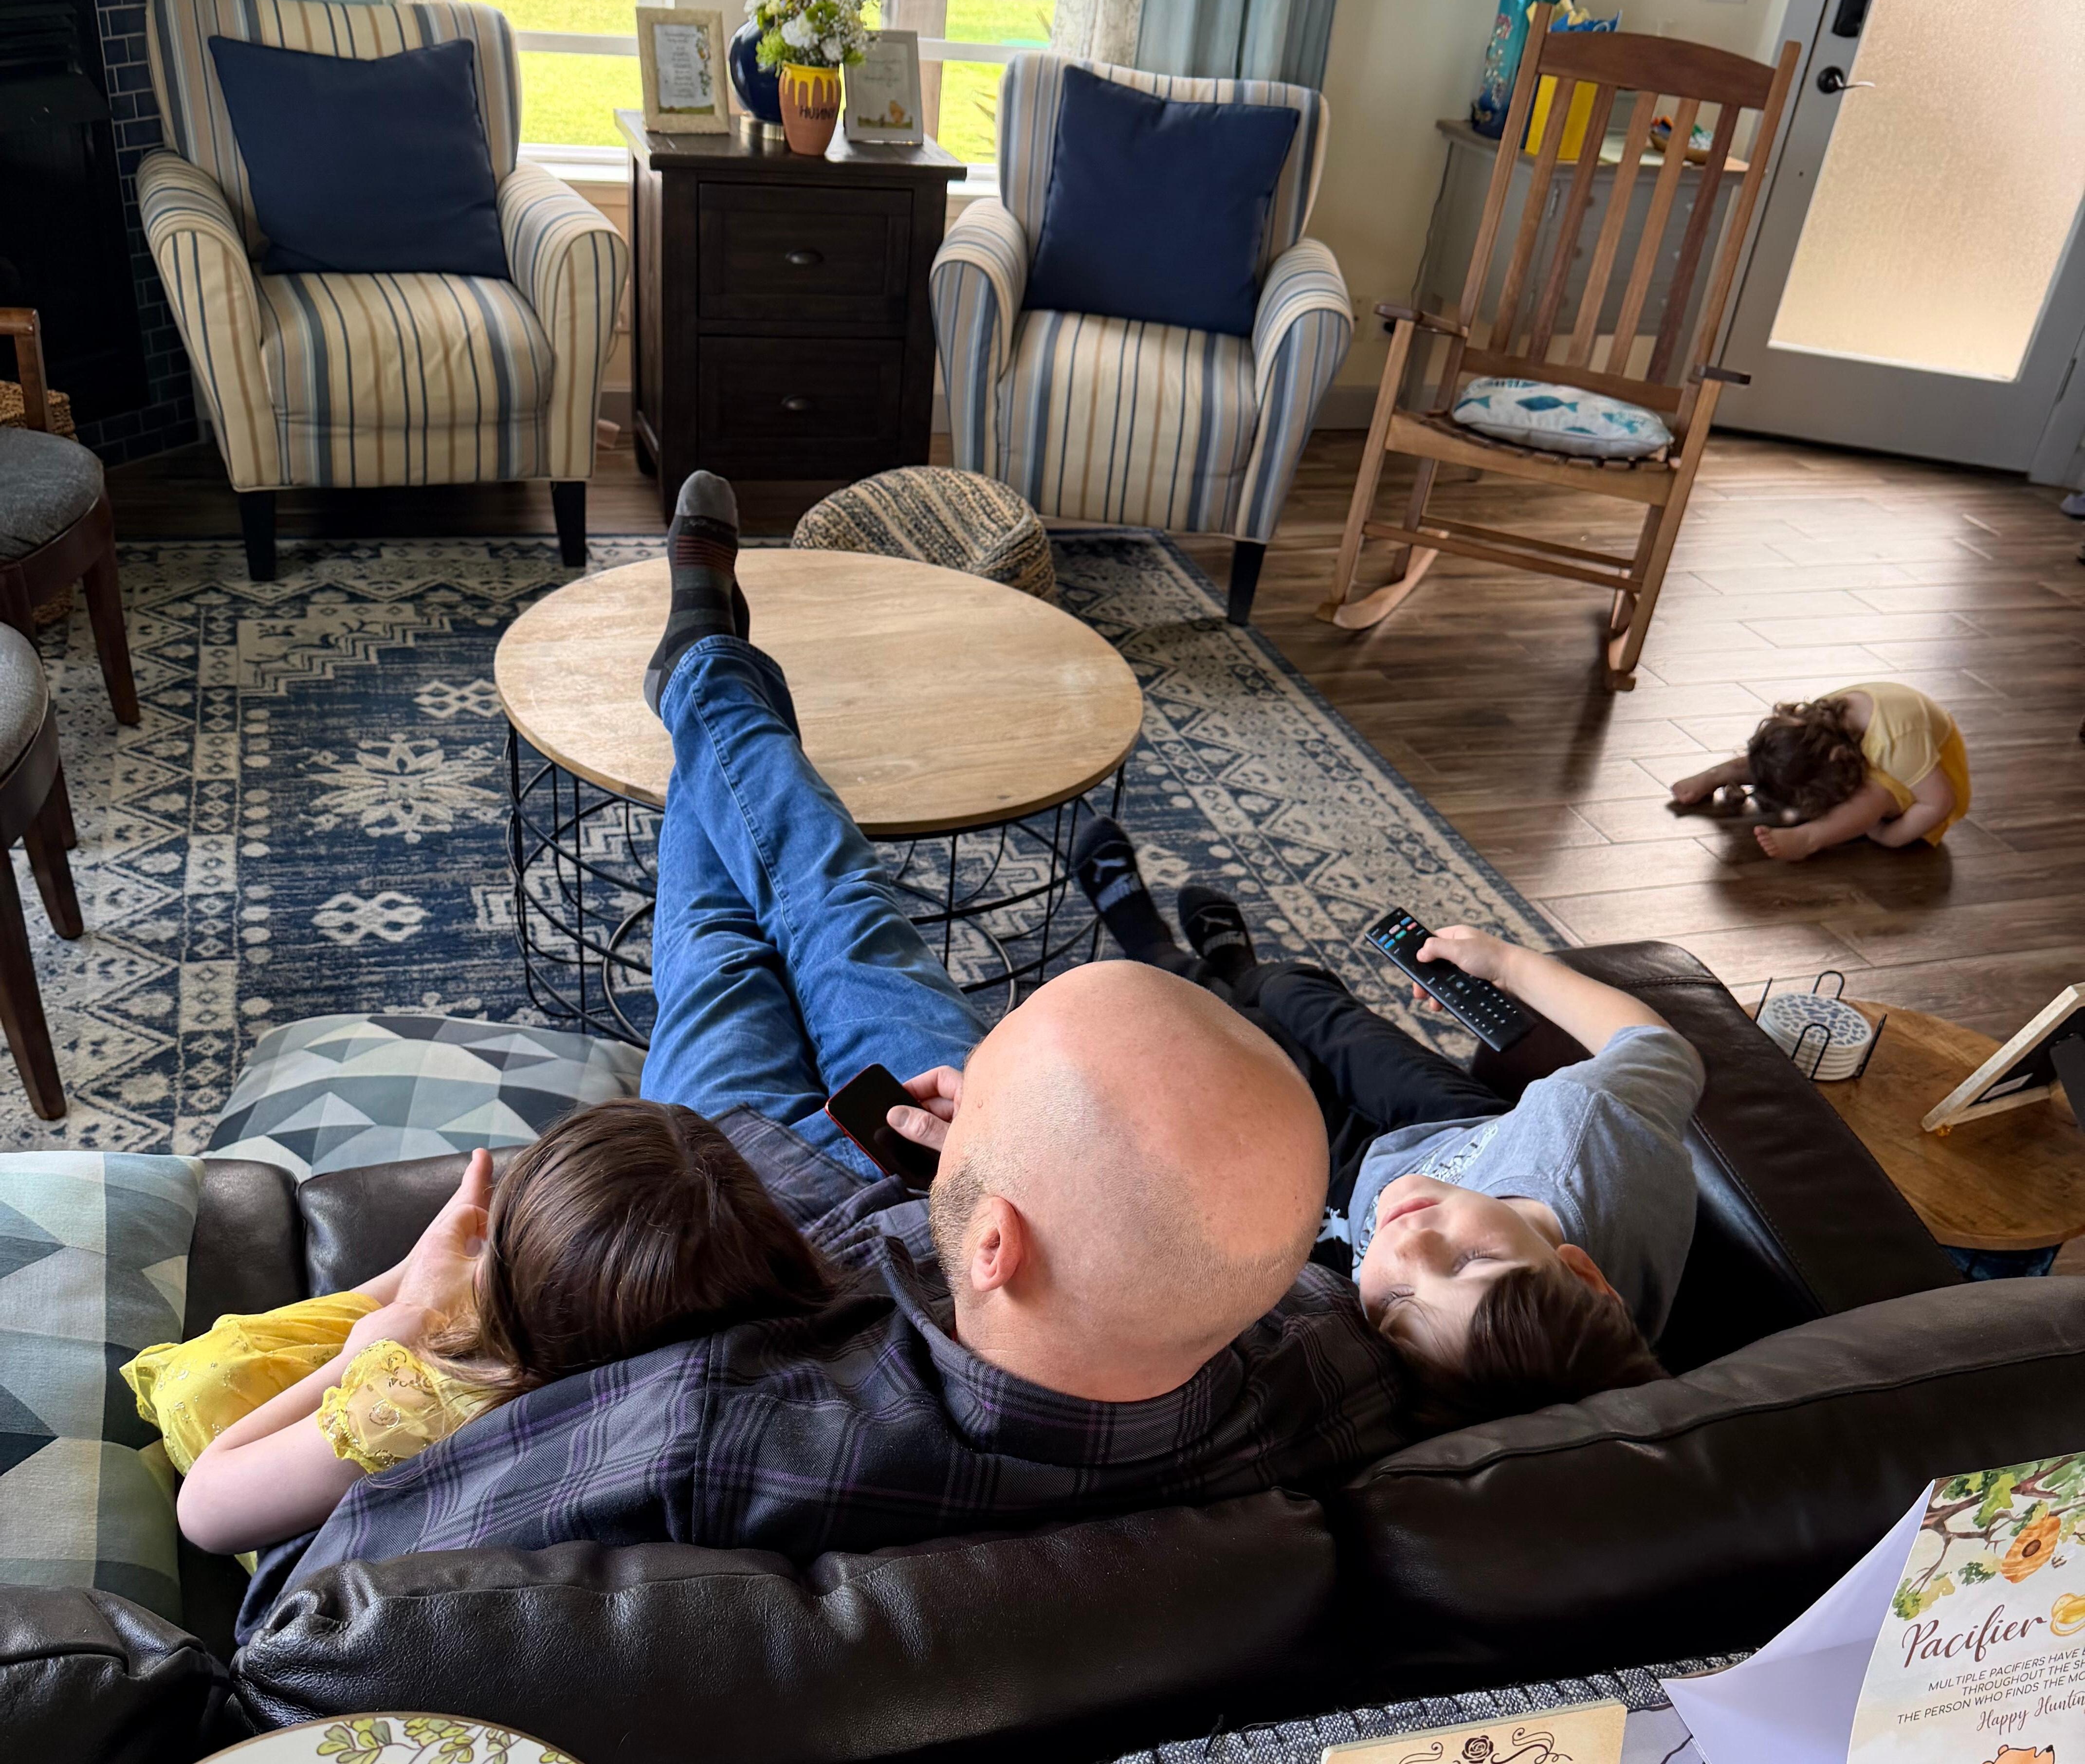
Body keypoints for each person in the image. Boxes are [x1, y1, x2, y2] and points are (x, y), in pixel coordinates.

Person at [240, 475, 1409, 1628]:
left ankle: (702, 666)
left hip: (729, 1202)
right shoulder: (1329, 1361)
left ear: (996, 1244)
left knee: (725, 941)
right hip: (934, 1195)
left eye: (983, 1089)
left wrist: (403, 1333)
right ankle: (705, 676)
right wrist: (994, 1140)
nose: (958, 1082)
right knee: (841, 910)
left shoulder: (699, 1436)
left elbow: (308, 1605)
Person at [1070, 819, 1702, 1426]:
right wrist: (1506, 964)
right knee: (1307, 1000)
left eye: (1399, 1304)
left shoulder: (1445, 1362)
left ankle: (1153, 946)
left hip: (1347, 1205)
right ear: (1584, 1274)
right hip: (1471, 1131)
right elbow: (1658, 1047)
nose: (1408, 1247)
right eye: (1473, 1260)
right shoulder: (1590, 1135)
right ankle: (1243, 967)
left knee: (1228, 1046)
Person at [138, 1102, 836, 1559]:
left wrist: (377, 1344)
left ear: (518, 1281)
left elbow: (206, 1509)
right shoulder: (743, 1322)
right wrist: (422, 1276)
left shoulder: (420, 1401)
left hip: (253, 1446)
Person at [1670, 682, 1970, 862]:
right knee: (1776, 757)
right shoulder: (1820, 720)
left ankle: (1809, 839)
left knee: (1873, 796)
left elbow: (1940, 802)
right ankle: (1718, 774)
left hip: (1933, 770)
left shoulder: (1897, 745)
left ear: (1838, 758)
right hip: (1883, 742)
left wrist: (1890, 837)